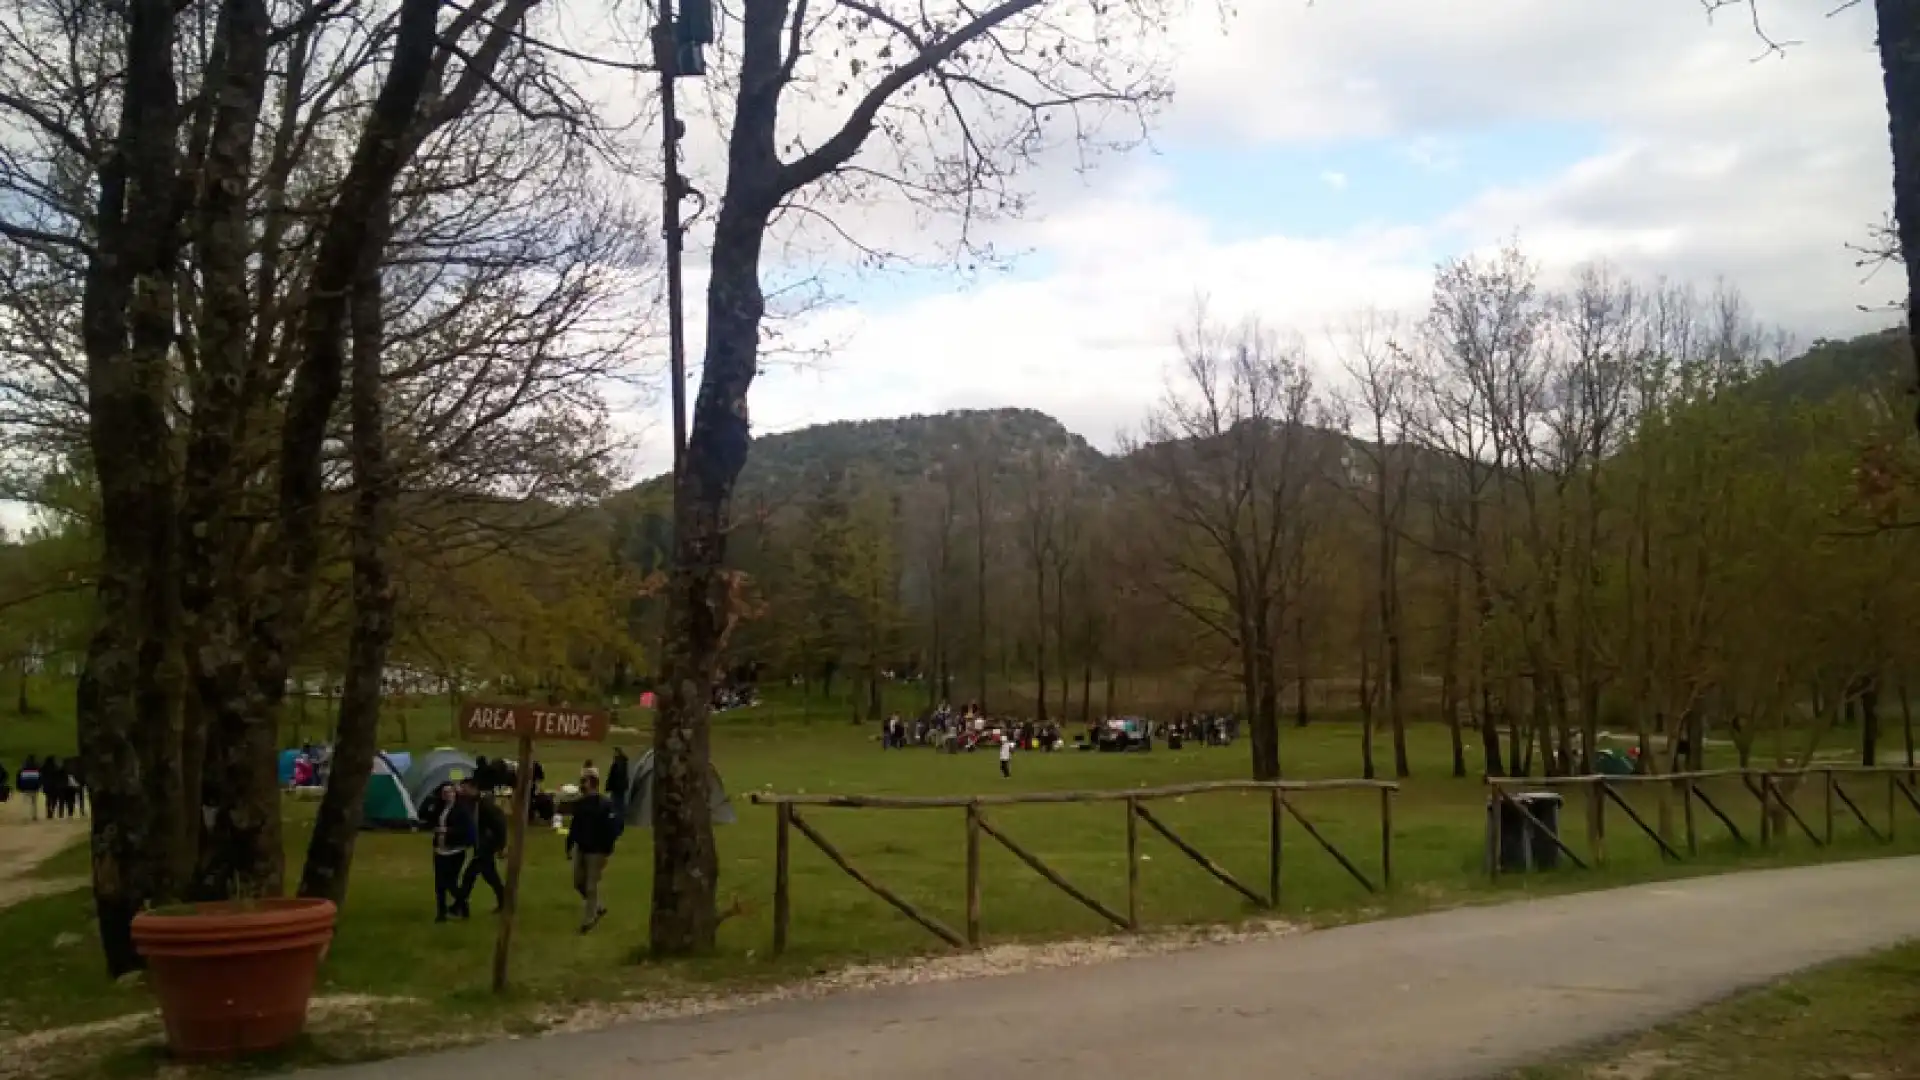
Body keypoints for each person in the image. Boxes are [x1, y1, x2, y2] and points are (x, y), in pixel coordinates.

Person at [565, 774, 618, 933]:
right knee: (578, 883)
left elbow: (612, 829)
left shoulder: (604, 804)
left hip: (597, 851)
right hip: (582, 849)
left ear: (593, 785)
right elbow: (574, 826)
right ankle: (597, 907)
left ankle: (589, 920)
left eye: (584, 783)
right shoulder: (580, 804)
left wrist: (607, 849)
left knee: (590, 886)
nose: (582, 786)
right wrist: (569, 845)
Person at [457, 779, 508, 914]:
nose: (462, 791)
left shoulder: (485, 805)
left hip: (486, 847)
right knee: (490, 875)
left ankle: (460, 904)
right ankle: (505, 901)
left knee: (470, 875)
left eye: (465, 788)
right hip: (480, 845)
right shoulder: (470, 802)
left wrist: (501, 846)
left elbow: (500, 825)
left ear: (474, 788)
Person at [430, 782, 475, 922]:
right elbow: (428, 818)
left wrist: (447, 831)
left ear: (455, 794)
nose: (447, 795)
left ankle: (463, 905)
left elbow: (465, 830)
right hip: (440, 850)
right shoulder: (440, 808)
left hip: (455, 851)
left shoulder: (462, 810)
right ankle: (441, 913)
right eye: (444, 792)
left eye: (449, 792)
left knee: (450, 882)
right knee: (439, 884)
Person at [606, 748, 631, 818]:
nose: (613, 754)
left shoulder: (618, 763)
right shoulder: (623, 762)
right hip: (621, 786)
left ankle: (617, 815)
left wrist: (610, 785)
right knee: (619, 800)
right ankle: (620, 814)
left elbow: (615, 775)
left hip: (617, 786)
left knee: (616, 801)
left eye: (615, 752)